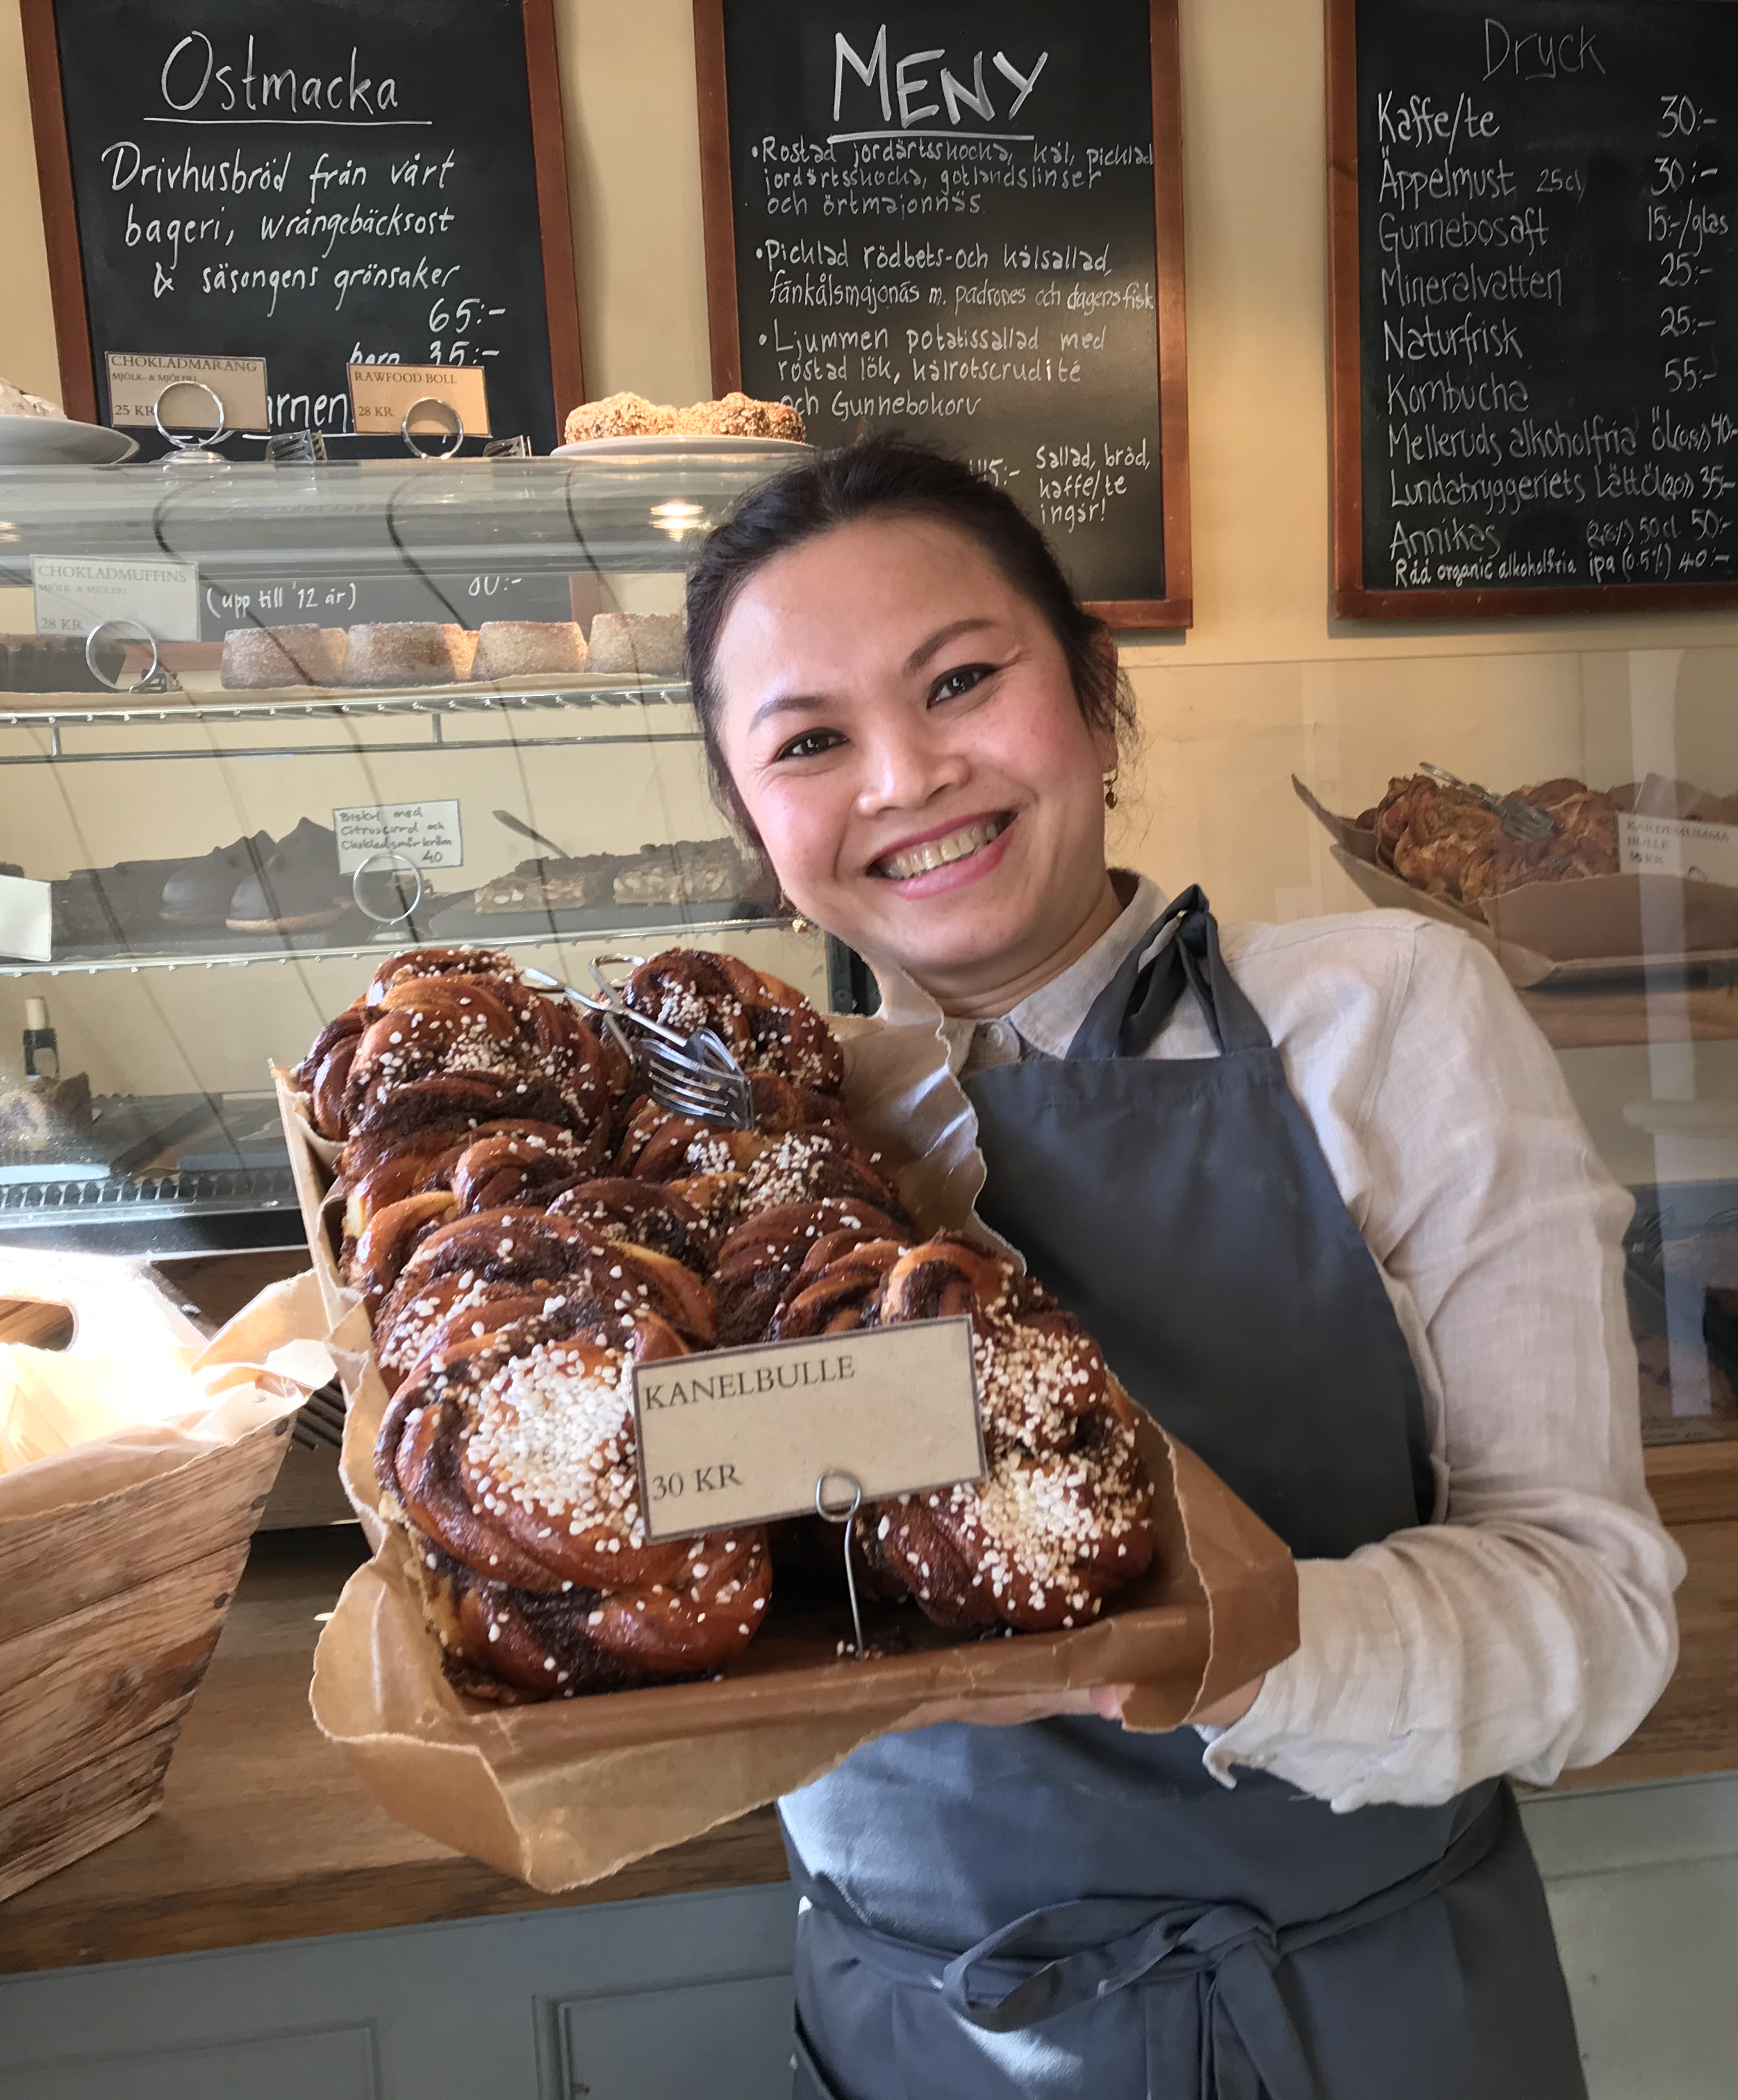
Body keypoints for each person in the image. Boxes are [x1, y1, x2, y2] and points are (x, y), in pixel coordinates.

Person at [683, 434, 1683, 2099]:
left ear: (1095, 690)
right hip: (913, 2040)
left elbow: (1594, 1616)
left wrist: (1186, 1643)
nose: (906, 776)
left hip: (1355, 2033)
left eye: (962, 682)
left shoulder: (1387, 1016)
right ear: (750, 817)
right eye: (810, 740)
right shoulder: (719, 1168)